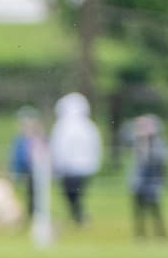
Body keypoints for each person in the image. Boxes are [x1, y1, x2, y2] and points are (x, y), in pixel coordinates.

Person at [49, 91, 103, 227]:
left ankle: (78, 217)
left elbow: (58, 146)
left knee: (73, 194)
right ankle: (78, 217)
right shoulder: (88, 126)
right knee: (73, 195)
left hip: (71, 168)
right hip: (79, 168)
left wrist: (57, 164)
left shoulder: (64, 126)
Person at [126, 113, 168, 239]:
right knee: (139, 211)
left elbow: (160, 159)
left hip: (153, 181)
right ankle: (140, 235)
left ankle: (160, 235)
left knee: (155, 209)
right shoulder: (137, 140)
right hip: (138, 182)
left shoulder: (158, 142)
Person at [6, 108, 47, 221]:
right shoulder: (21, 139)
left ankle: (35, 217)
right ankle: (29, 216)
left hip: (36, 172)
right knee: (30, 196)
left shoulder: (37, 138)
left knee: (36, 196)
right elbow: (17, 157)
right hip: (26, 172)